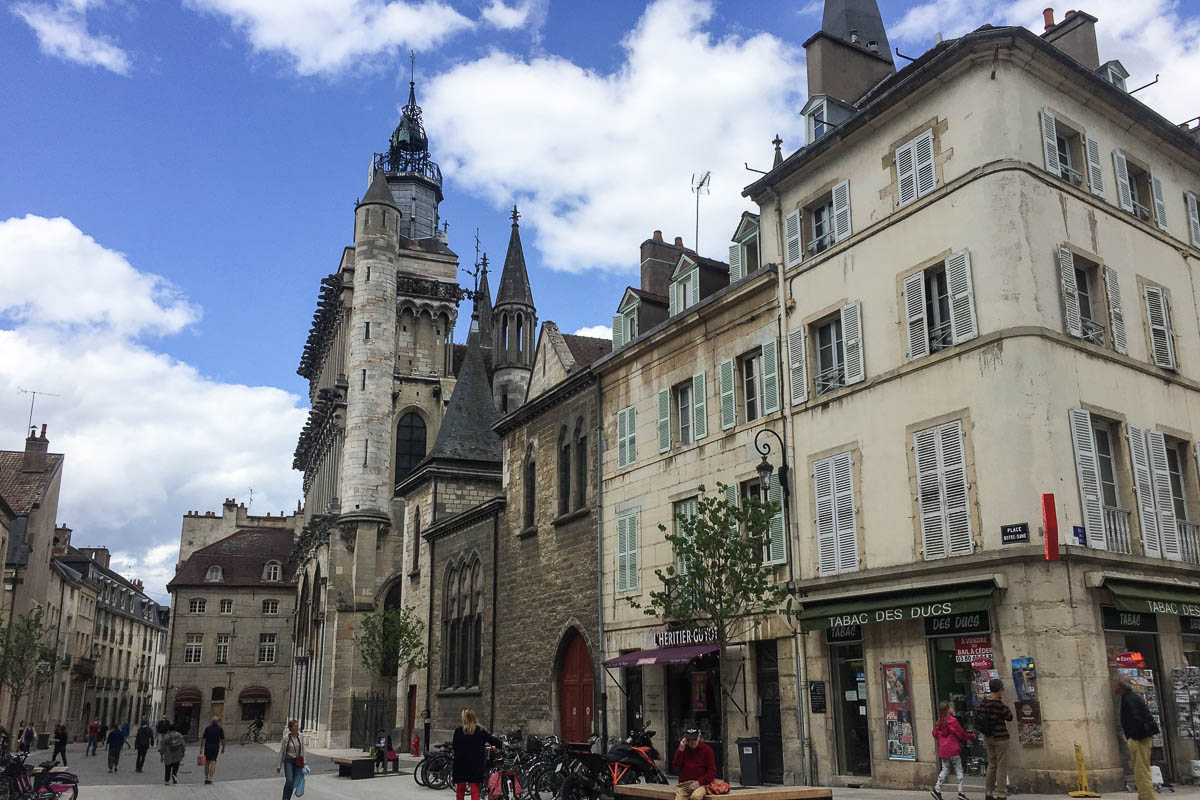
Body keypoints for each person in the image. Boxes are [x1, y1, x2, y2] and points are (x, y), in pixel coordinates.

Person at [1116, 677, 1160, 800]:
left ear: (1122, 687)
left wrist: (1135, 736)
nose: (1114, 687)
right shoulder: (1129, 697)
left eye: (1116, 685)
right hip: (1139, 737)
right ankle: (1143, 796)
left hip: (1139, 738)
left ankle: (1147, 797)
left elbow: (1137, 718)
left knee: (1142, 770)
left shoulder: (1129, 698)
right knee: (1140, 769)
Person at [452, 708, 502, 800]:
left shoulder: (458, 731)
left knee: (460, 789)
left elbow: (454, 747)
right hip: (475, 764)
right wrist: (502, 744)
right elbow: (492, 740)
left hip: (460, 763)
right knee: (474, 789)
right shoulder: (480, 731)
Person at [977, 678, 1013, 800]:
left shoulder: (983, 702)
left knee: (992, 765)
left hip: (988, 737)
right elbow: (1009, 716)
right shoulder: (998, 703)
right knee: (1001, 765)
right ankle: (1001, 793)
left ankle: (989, 792)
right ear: (999, 689)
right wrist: (1002, 703)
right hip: (1001, 737)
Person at [931, 701, 971, 800]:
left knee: (945, 769)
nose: (953, 709)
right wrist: (971, 737)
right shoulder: (952, 721)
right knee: (958, 769)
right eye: (951, 707)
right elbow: (961, 733)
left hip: (943, 750)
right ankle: (960, 792)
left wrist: (942, 740)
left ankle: (937, 788)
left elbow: (935, 734)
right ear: (948, 709)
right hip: (953, 749)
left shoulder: (938, 722)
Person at [672, 728, 717, 800]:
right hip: (684, 784)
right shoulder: (684, 748)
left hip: (701, 784)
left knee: (695, 797)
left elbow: (712, 771)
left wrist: (699, 782)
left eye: (694, 739)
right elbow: (676, 766)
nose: (692, 742)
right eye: (689, 739)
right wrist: (680, 750)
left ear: (699, 737)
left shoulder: (707, 750)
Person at [278, 719, 305, 800]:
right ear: (291, 728)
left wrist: (305, 763)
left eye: (297, 725)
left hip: (298, 761)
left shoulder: (300, 736)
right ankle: (285, 798)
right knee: (289, 780)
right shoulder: (286, 738)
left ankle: (287, 798)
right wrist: (279, 765)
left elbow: (303, 750)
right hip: (288, 761)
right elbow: (282, 752)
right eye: (295, 726)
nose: (297, 727)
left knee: (293, 783)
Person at [201, 716, 225, 785]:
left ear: (212, 721)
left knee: (207, 763)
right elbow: (223, 739)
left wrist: (201, 748)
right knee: (213, 763)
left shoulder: (207, 728)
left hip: (207, 747)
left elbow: (203, 739)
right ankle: (210, 779)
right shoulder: (220, 729)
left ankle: (206, 778)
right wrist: (223, 748)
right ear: (218, 722)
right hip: (215, 747)